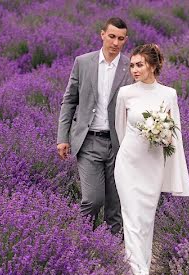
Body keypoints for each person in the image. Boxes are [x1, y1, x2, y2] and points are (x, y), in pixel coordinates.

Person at [114, 44, 189, 275]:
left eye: (140, 64)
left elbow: (173, 135)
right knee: (131, 218)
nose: (134, 69)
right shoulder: (125, 93)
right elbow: (120, 129)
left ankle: (138, 271)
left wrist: (160, 137)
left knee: (145, 221)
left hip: (153, 164)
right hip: (128, 163)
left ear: (153, 65)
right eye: (132, 65)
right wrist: (132, 150)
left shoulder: (169, 94)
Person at [57, 18, 132, 235]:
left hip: (119, 144)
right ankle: (78, 242)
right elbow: (69, 101)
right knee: (92, 199)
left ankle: (113, 254)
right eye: (111, 36)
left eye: (120, 38)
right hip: (89, 140)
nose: (115, 42)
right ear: (102, 35)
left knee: (115, 206)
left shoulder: (130, 67)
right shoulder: (83, 62)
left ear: (125, 40)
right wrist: (63, 137)